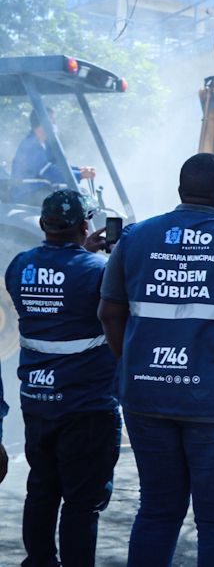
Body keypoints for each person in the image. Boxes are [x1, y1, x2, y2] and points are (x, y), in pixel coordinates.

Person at [98, 152, 214, 567]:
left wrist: (137, 365)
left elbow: (109, 314)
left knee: (157, 511)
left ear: (180, 191)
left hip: (147, 400)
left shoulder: (133, 239)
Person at [4, 189, 118, 567]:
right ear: (85, 225)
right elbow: (112, 304)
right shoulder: (100, 272)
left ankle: (38, 562)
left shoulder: (19, 266)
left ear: (41, 224)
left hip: (38, 401)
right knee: (82, 502)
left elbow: (59, 280)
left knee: (42, 489)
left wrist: (79, 250)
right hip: (87, 406)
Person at [12, 110, 96, 202]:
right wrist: (80, 175)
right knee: (71, 201)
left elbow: (58, 166)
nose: (55, 125)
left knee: (82, 194)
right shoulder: (30, 146)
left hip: (42, 191)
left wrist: (79, 170)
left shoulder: (45, 145)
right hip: (28, 194)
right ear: (41, 124)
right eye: (52, 122)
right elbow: (49, 172)